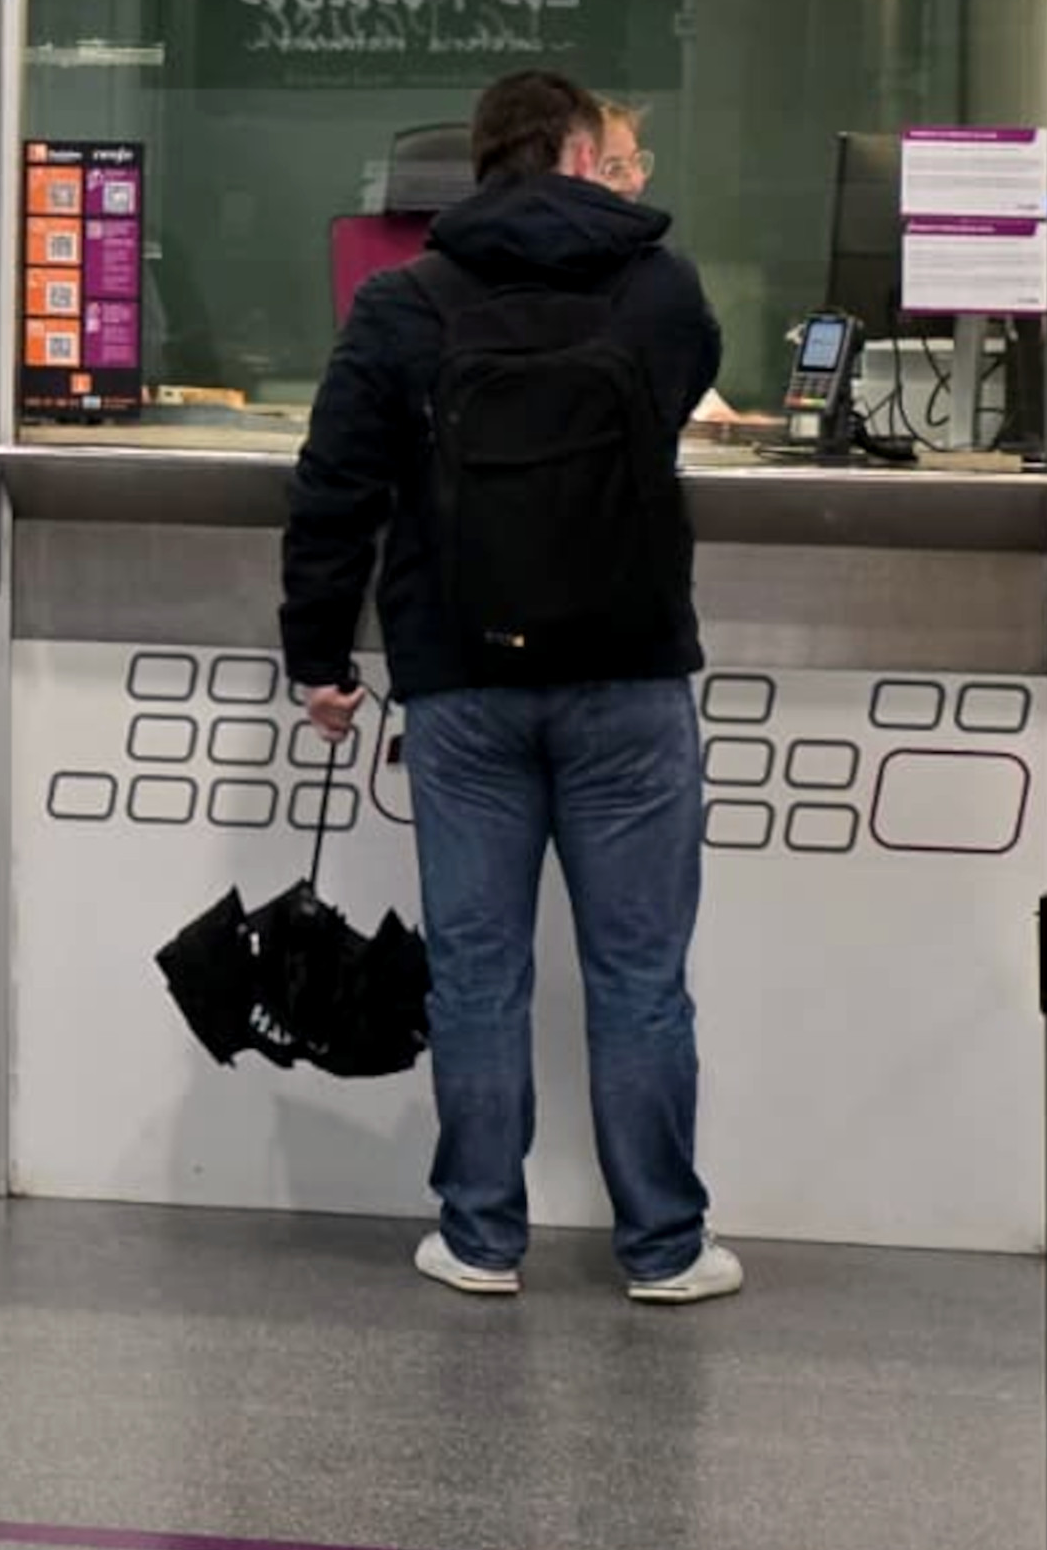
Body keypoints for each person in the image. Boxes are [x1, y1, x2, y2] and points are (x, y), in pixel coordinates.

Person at [278, 66, 738, 1307]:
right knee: (640, 972)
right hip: (630, 677)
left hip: (463, 682)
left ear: (477, 168)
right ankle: (665, 1247)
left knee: (477, 970)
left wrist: (319, 657)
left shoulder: (402, 299)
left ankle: (481, 1235)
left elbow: (335, 491)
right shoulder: (662, 289)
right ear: (585, 156)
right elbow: (680, 394)